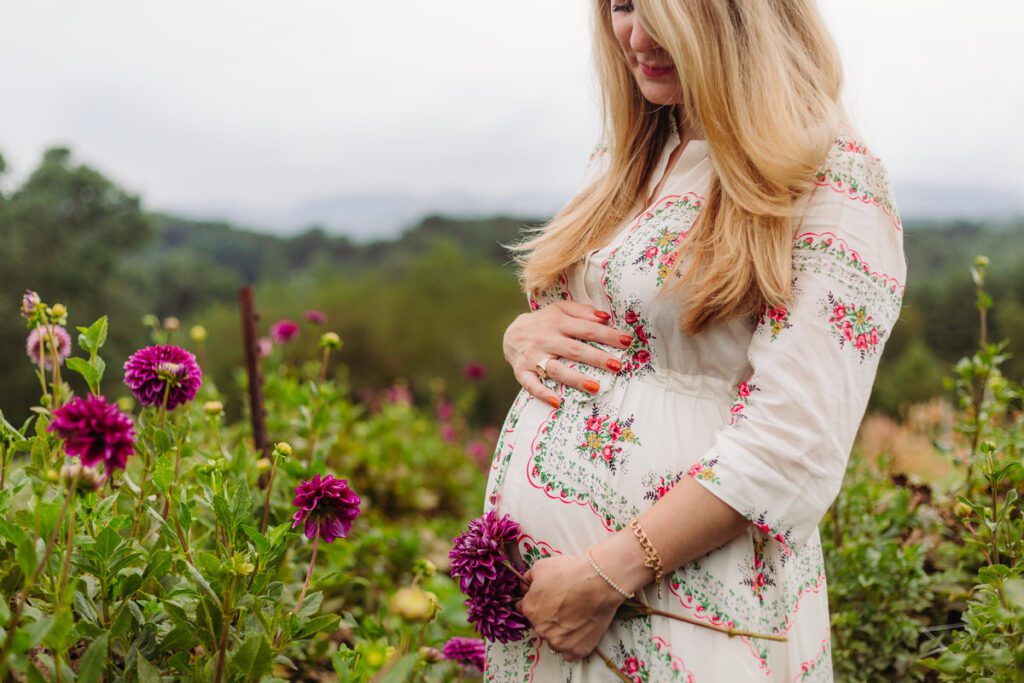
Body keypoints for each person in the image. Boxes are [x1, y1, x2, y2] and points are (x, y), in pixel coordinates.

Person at [483, 0, 907, 680]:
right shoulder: (631, 156)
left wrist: (604, 574)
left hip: (682, 611)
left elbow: (794, 440)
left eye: (665, 11)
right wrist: (522, 333)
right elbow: (602, 316)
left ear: (743, 18)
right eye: (623, 6)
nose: (638, 35)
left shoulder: (830, 178)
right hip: (561, 612)